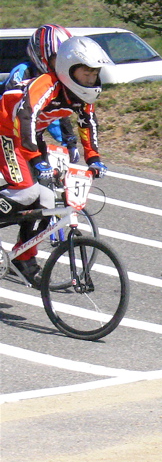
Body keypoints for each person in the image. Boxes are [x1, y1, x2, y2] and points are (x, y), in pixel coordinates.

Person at [0, 35, 112, 284]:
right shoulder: (47, 84)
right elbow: (25, 115)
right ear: (68, 70)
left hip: (29, 137)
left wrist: (93, 158)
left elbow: (87, 124)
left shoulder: (82, 96)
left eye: (94, 74)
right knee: (24, 189)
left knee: (46, 200)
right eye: (86, 74)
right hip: (6, 132)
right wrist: (36, 160)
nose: (91, 80)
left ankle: (24, 258)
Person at [3, 24, 81, 163]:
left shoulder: (59, 81)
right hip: (7, 131)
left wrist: (70, 142)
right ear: (41, 55)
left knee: (45, 172)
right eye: (57, 59)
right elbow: (12, 107)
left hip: (30, 133)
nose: (61, 64)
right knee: (19, 178)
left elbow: (58, 111)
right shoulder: (23, 71)